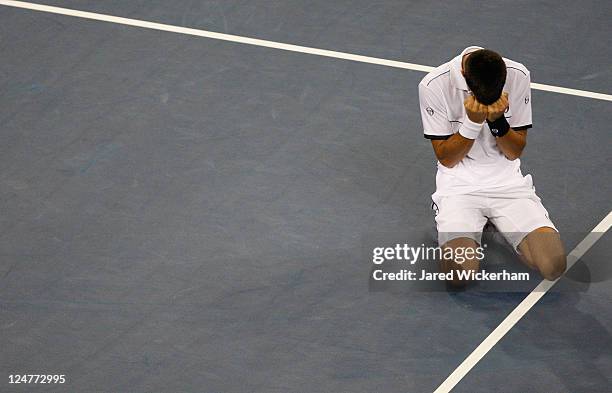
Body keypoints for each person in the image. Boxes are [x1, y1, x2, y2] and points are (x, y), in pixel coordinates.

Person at [418, 46, 566, 286]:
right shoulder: (433, 85)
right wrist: (472, 123)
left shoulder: (518, 74)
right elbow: (447, 158)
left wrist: (498, 121)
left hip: (508, 186)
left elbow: (513, 151)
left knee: (553, 266)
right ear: (466, 79)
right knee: (459, 277)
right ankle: (455, 228)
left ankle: (499, 225)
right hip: (458, 188)